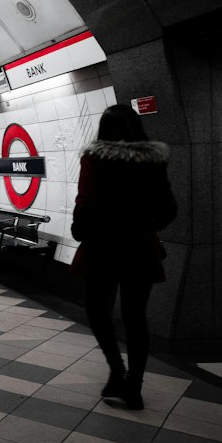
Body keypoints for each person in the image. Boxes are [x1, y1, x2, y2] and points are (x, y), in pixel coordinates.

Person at [71, 102, 177, 410]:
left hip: (101, 247)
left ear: (104, 131)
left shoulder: (95, 159)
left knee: (96, 310)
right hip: (139, 250)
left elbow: (86, 200)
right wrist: (145, 229)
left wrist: (81, 228)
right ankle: (134, 386)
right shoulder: (152, 162)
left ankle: (117, 370)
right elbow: (169, 209)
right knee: (135, 318)